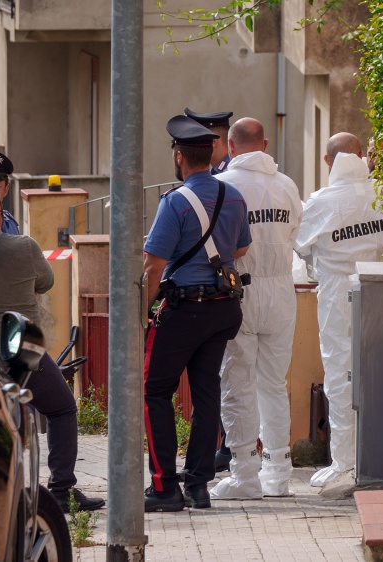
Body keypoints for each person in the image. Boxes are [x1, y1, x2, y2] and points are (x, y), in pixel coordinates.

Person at [0, 182, 104, 512]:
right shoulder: (24, 247)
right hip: (24, 353)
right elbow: (46, 282)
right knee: (63, 409)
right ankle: (62, 490)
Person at [142, 115, 251, 512]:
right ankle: (200, 485)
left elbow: (153, 266)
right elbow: (239, 250)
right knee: (207, 395)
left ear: (179, 157)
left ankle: (164, 487)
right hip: (223, 310)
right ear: (211, 154)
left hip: (184, 308)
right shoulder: (234, 196)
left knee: (155, 392)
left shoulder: (175, 202)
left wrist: (141, 315)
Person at [209, 118, 303, 500]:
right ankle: (278, 473)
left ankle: (245, 473)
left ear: (230, 147)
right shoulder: (287, 185)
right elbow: (295, 231)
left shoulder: (224, 186)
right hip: (282, 288)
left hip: (240, 290)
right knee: (273, 384)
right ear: (264, 144)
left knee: (237, 383)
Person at [294, 132, 383, 488]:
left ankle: (345, 464)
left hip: (338, 293)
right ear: (363, 155)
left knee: (340, 372)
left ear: (327, 162)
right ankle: (378, 460)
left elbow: (299, 246)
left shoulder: (321, 202)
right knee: (380, 369)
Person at [184, 107, 234, 175]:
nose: (194, 147)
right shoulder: (218, 171)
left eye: (198, 141)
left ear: (213, 142)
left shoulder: (230, 172)